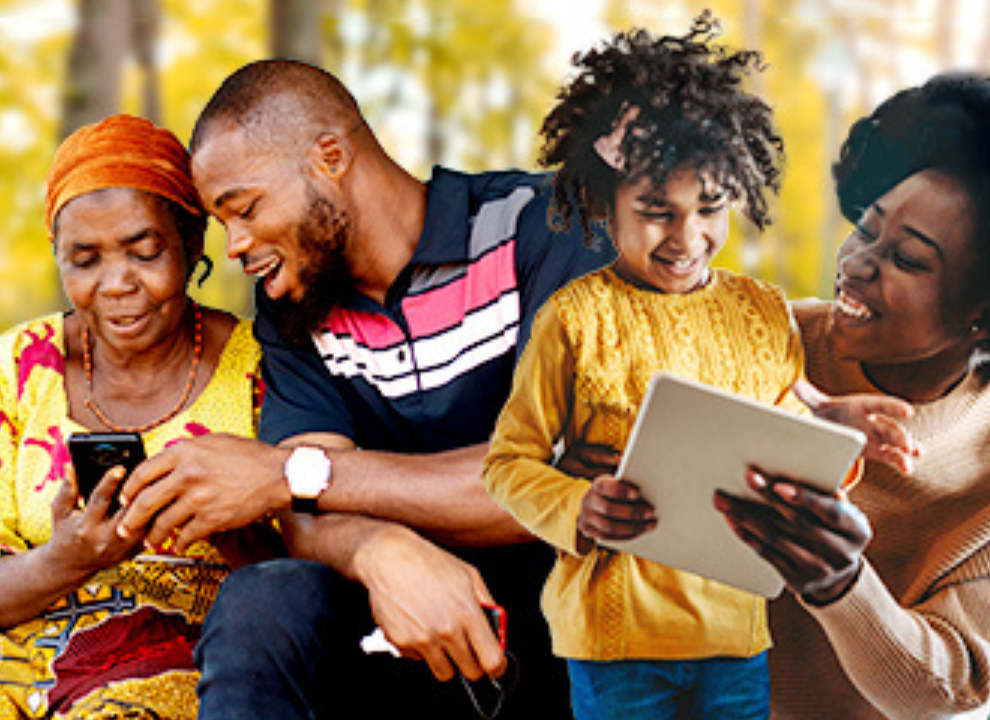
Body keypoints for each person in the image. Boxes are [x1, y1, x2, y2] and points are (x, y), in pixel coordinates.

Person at [112, 59, 615, 718]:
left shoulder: (548, 224)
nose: (234, 245)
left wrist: (291, 471)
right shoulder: (293, 309)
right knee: (263, 601)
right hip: (399, 630)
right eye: (222, 221)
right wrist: (384, 552)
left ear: (330, 158)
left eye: (246, 208)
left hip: (573, 626)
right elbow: (306, 515)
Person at [481, 15, 917, 720]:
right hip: (614, 640)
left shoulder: (760, 309)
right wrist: (575, 505)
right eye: (657, 211)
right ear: (605, 202)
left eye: (710, 208)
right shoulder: (572, 318)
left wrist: (836, 423)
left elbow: (782, 420)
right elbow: (508, 462)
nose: (688, 238)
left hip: (735, 634)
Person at [640, 73, 990, 719]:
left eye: (908, 259)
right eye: (866, 228)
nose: (856, 263)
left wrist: (842, 585)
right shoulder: (755, 335)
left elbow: (943, 695)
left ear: (988, 315)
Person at [0, 115, 271, 720]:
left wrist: (223, 521)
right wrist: (65, 560)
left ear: (193, 244)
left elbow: (302, 590)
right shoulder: (14, 369)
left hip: (182, 669)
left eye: (146, 253)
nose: (118, 284)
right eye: (85, 261)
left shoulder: (263, 370)